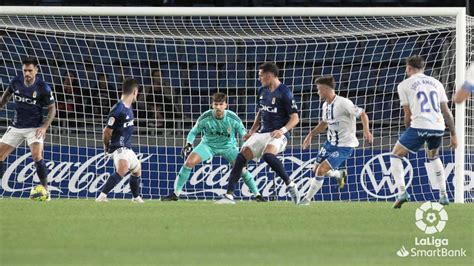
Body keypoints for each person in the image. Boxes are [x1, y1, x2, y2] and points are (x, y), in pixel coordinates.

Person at [216, 62, 300, 204]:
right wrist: (252, 131)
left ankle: (290, 185)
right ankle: (229, 196)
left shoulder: (285, 92)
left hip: (278, 134)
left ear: (269, 75)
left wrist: (282, 130)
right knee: (241, 157)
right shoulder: (262, 90)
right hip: (263, 132)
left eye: (261, 76)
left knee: (268, 155)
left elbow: (295, 118)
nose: (259, 78)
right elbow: (261, 112)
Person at [161, 92, 264, 202]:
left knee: (242, 169)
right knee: (189, 163)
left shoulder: (232, 118)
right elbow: (193, 132)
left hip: (228, 147)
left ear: (226, 105)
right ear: (212, 105)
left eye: (221, 104)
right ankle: (176, 194)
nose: (218, 107)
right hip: (208, 145)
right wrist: (189, 144)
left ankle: (257, 195)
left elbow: (244, 136)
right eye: (216, 104)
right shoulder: (205, 117)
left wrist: (244, 153)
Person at [391, 55, 456, 208]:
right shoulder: (436, 83)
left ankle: (402, 192)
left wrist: (409, 132)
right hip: (438, 127)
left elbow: (407, 114)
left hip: (419, 126)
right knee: (433, 156)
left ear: (408, 68)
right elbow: (446, 111)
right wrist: (454, 134)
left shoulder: (404, 85)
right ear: (423, 68)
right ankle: (443, 195)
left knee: (395, 155)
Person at [300, 76, 373, 205]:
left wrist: (366, 131)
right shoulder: (325, 105)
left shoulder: (344, 103)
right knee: (315, 169)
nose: (317, 92)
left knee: (321, 170)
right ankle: (338, 174)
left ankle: (306, 200)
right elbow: (324, 123)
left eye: (318, 89)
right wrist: (311, 135)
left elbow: (362, 114)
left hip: (344, 146)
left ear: (325, 89)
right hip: (330, 143)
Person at [0, 57, 56, 200]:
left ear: (36, 70)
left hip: (34, 128)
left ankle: (45, 190)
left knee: (37, 156)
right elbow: (6, 97)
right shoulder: (15, 82)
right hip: (16, 126)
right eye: (25, 70)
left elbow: (52, 109)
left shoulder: (43, 87)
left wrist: (44, 127)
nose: (27, 73)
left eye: (30, 70)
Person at [96, 78, 144, 203]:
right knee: (122, 169)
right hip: (118, 147)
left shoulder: (128, 107)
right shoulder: (118, 108)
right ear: (134, 92)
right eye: (137, 92)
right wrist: (106, 146)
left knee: (137, 169)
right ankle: (101, 197)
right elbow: (106, 131)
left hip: (127, 148)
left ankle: (136, 197)